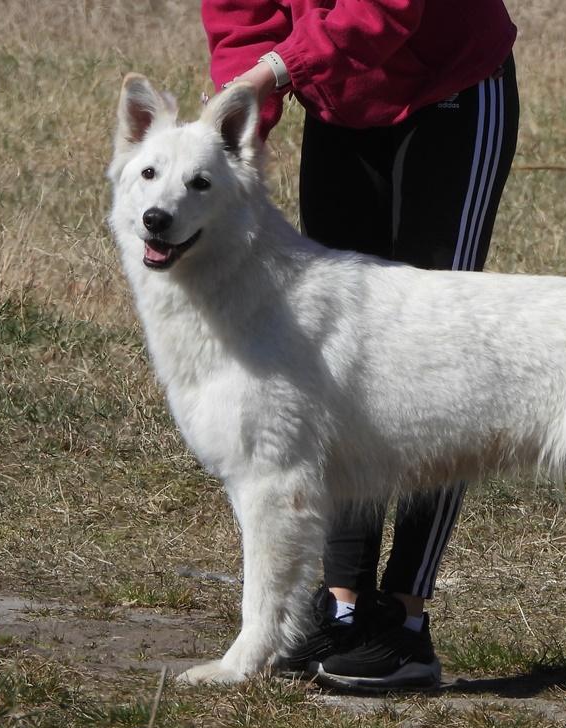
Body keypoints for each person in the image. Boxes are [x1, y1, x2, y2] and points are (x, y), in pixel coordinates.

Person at [201, 0, 520, 689]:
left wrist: (276, 70)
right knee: (339, 364)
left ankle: (406, 621)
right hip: (339, 99)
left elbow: (387, 8)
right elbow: (240, 18)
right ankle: (343, 606)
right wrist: (235, 129)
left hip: (450, 88)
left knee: (443, 355)